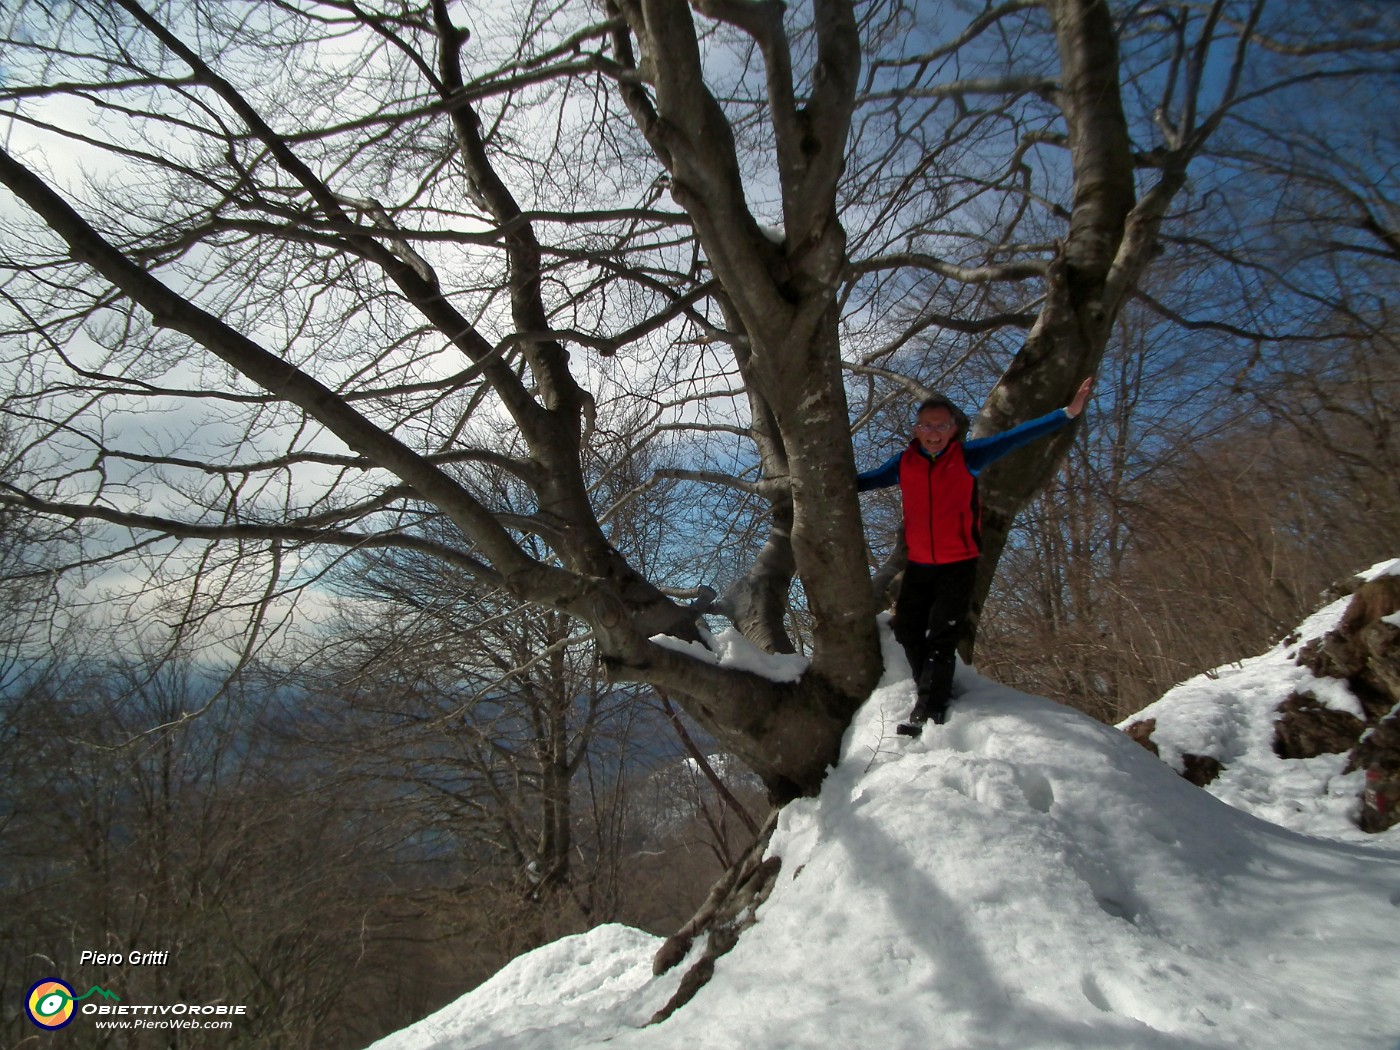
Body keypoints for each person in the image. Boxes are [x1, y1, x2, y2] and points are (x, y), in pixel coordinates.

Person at [857, 377, 1094, 736]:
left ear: (953, 429)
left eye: (942, 426)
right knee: (906, 629)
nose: (934, 432)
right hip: (919, 565)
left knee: (942, 636)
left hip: (958, 564)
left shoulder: (968, 456)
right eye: (927, 426)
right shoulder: (904, 462)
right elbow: (869, 480)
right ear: (917, 429)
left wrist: (1066, 413)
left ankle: (930, 710)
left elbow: (1015, 437)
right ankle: (932, 689)